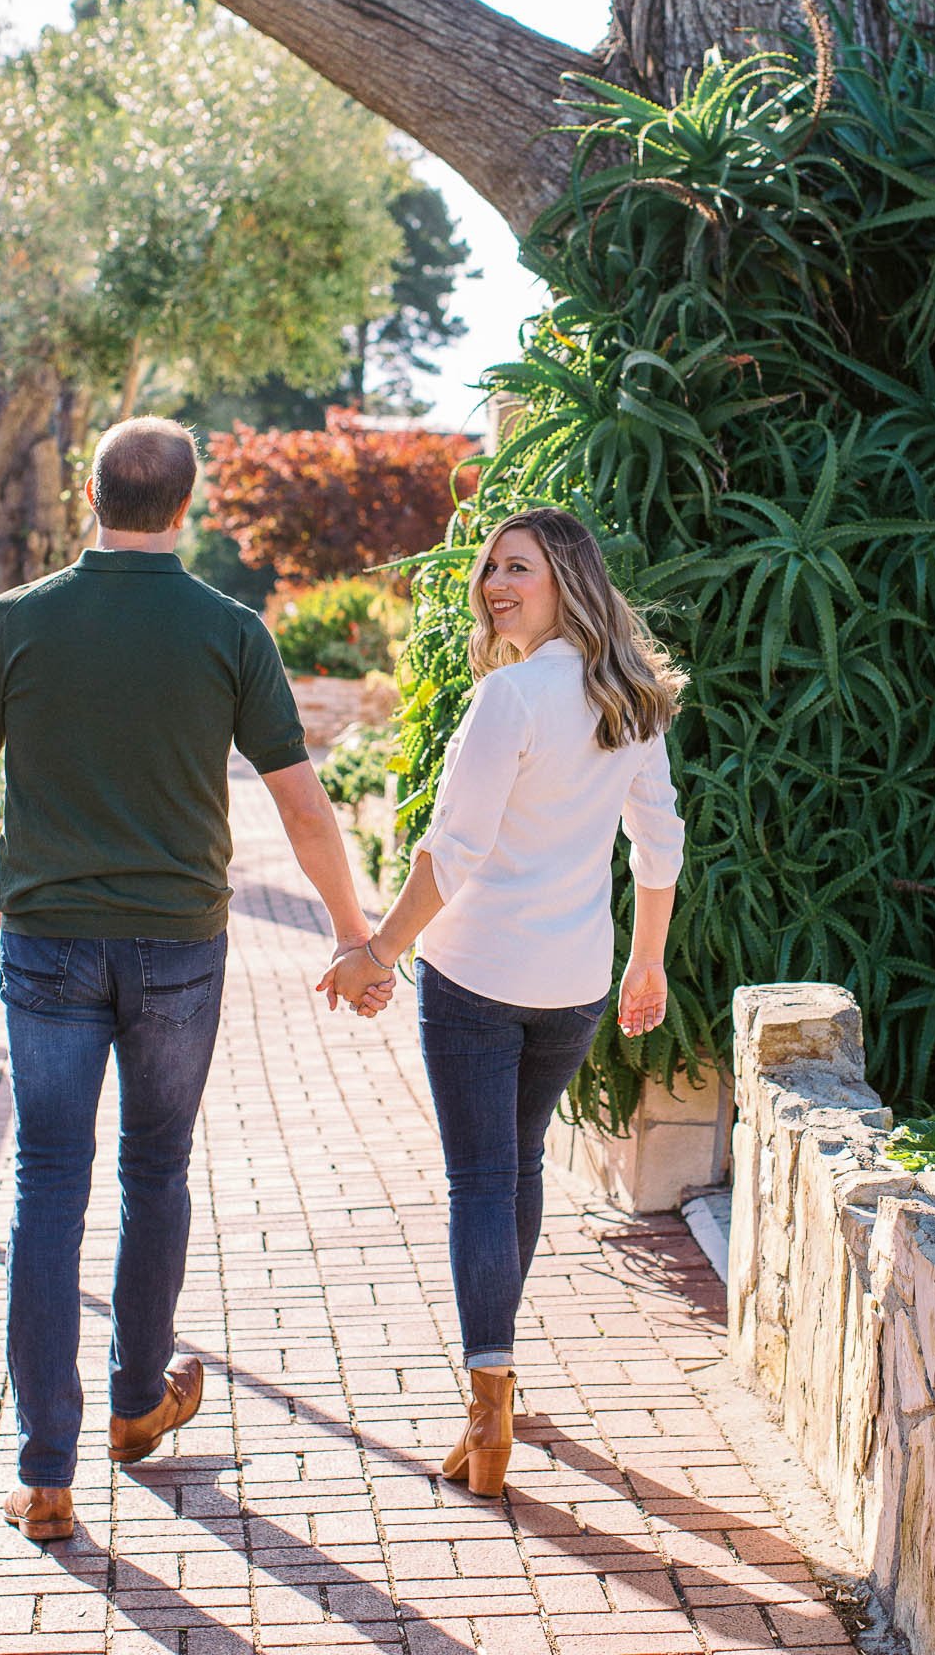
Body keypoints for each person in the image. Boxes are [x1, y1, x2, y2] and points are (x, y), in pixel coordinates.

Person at [0, 417, 391, 1545]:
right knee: (158, 1168)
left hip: (46, 941)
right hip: (180, 945)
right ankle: (138, 1400)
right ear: (185, 506)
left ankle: (46, 1473)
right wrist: (354, 932)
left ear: (90, 495)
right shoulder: (228, 630)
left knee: (50, 1182)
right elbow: (299, 804)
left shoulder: (19, 620)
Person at [321, 508, 685, 1498]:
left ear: (566, 577)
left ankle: (488, 1400)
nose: (493, 585)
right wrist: (644, 959)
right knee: (515, 1164)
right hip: (571, 984)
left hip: (478, 975)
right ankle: (500, 1377)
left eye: (515, 568)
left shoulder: (510, 700)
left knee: (484, 1179)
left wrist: (376, 951)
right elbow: (660, 840)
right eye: (489, 570)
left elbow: (454, 849)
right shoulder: (630, 696)